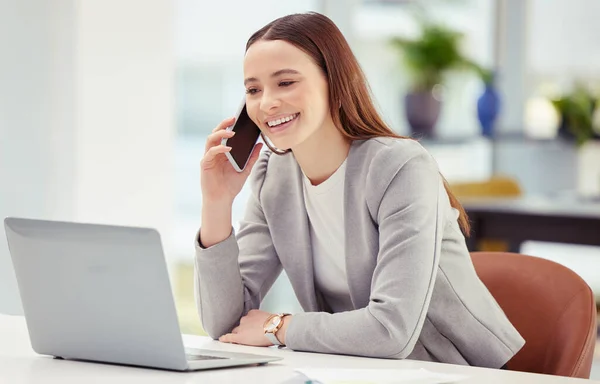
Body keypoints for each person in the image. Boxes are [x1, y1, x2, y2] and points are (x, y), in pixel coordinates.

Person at [195, 12, 524, 368]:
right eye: (253, 90)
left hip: (451, 370)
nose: (267, 103)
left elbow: (391, 330)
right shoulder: (274, 177)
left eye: (286, 82)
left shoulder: (400, 168)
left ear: (334, 82)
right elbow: (225, 324)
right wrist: (217, 202)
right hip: (356, 368)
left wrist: (279, 326)